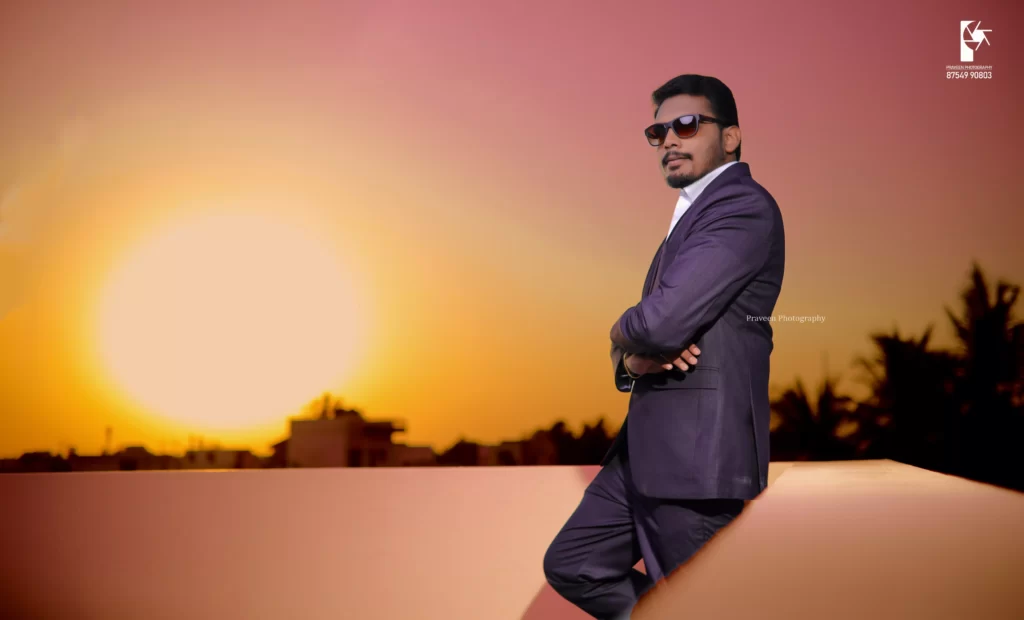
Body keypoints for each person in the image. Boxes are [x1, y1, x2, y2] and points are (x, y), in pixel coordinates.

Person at [543, 74, 785, 619]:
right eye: (658, 132)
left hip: (696, 463)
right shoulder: (691, 218)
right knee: (574, 562)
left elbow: (660, 322)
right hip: (642, 456)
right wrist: (633, 359)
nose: (669, 139)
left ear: (730, 137)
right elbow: (651, 335)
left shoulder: (742, 207)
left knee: (702, 606)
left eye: (687, 125)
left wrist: (620, 332)